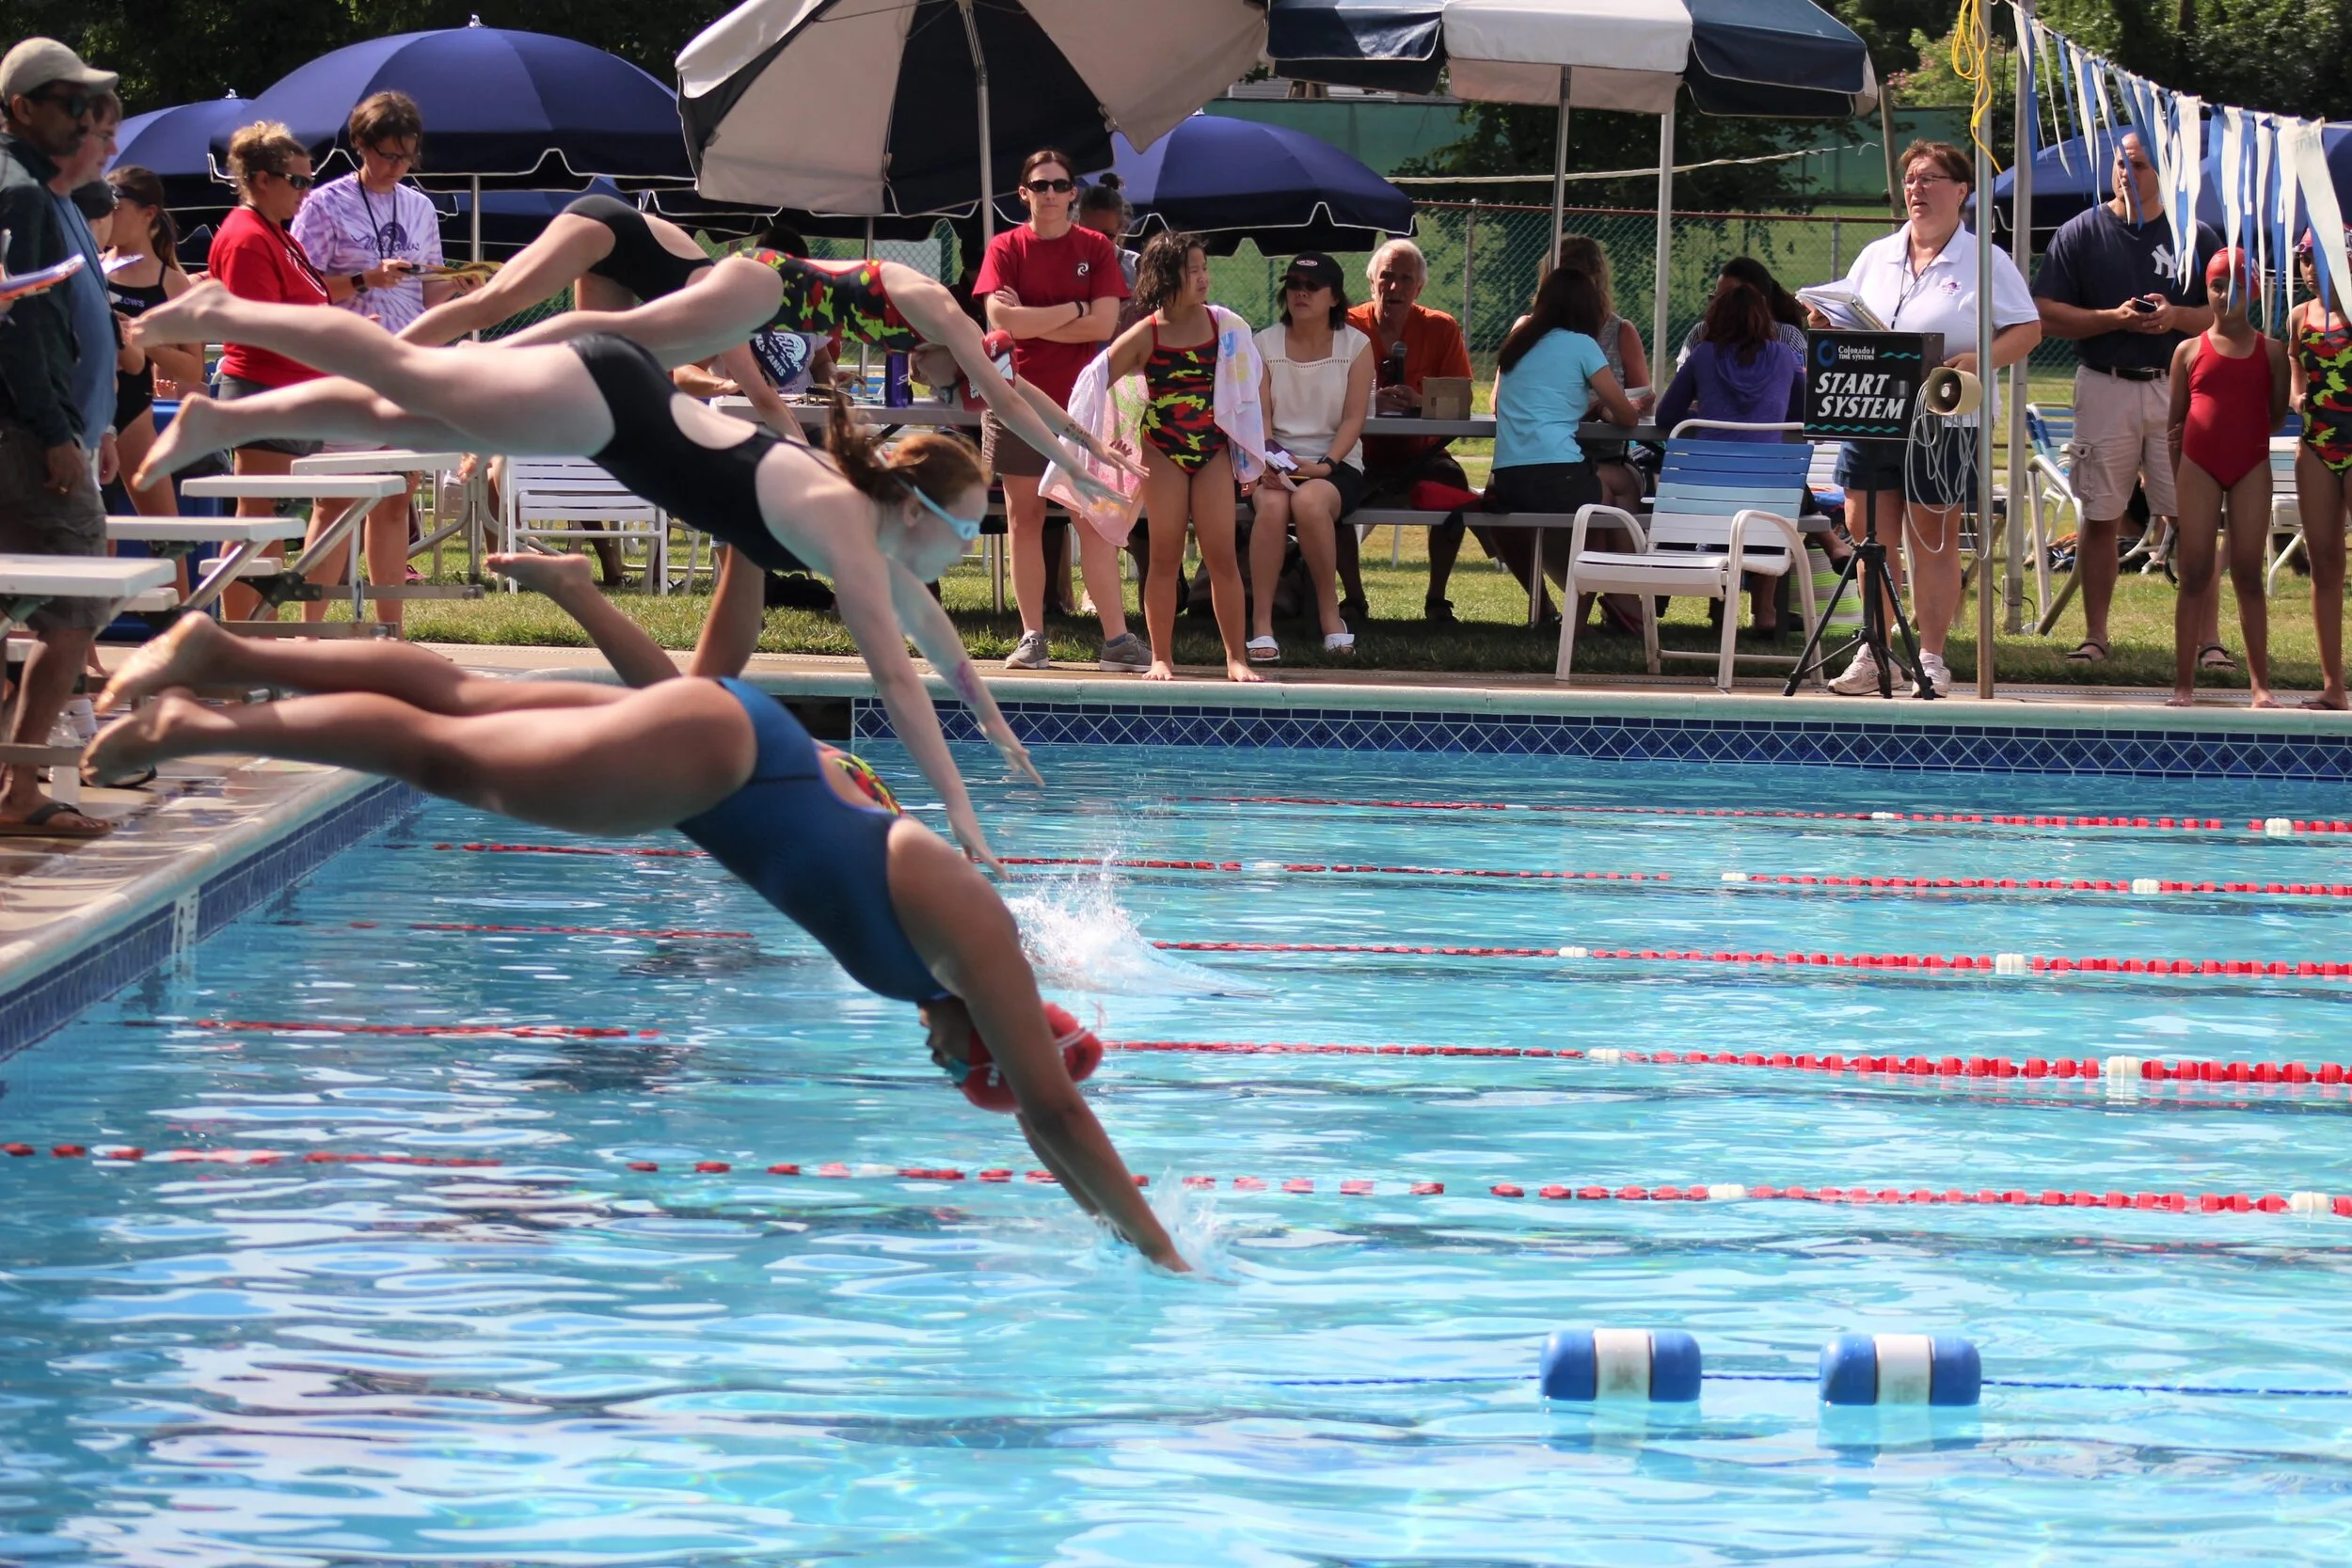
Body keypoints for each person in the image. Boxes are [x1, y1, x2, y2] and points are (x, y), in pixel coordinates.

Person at [87, 593, 1184, 1273]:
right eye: (960, 1076)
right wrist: (1161, 1248)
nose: (939, 1067)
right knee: (442, 756)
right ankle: (201, 716)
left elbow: (1037, 1098)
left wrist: (1109, 1233)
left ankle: (218, 648)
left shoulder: (935, 962)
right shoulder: (964, 937)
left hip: (737, 738)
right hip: (711, 769)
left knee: (466, 699)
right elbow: (1052, 1109)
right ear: (985, 1043)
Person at [127, 278, 1046, 871]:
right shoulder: (849, 527)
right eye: (970, 533)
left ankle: (219, 419)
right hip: (601, 407)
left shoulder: (871, 530)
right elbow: (894, 675)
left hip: (612, 401)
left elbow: (933, 640)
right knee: (402, 368)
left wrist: (998, 730)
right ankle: (222, 313)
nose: (970, 547)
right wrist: (960, 812)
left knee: (392, 410)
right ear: (920, 513)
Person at [1819, 139, 2041, 697]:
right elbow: (1850, 322)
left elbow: (2028, 329)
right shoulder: (1876, 255)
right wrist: (1827, 321)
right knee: (1870, 537)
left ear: (1962, 191)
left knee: (1933, 538)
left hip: (1945, 417)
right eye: (1912, 179)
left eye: (1931, 178)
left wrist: (1980, 359)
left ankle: (1933, 657)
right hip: (1873, 410)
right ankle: (1875, 652)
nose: (1917, 189)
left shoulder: (1986, 259)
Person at [288, 91, 483, 631]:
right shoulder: (323, 204)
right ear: (360, 145)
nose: (397, 166)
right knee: (335, 503)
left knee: (396, 502)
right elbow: (299, 291)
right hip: (346, 368)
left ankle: (390, 631)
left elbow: (429, 297)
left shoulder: (419, 207)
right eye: (388, 155)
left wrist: (459, 285)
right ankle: (311, 631)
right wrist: (362, 279)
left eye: (406, 157)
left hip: (406, 367)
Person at [2033, 129, 2218, 664]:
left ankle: (2208, 641)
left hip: (2177, 390)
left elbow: (2221, 317)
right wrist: (2112, 319)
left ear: (2163, 174)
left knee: (2190, 517)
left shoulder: (2194, 236)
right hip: (2104, 383)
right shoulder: (2081, 233)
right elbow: (2046, 313)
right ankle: (2095, 636)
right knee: (2100, 515)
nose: (2124, 173)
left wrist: (2175, 318)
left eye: (2136, 165)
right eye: (2118, 163)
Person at [0, 38, 119, 837]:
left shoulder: (42, 194)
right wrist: (55, 433)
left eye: (91, 107)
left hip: (38, 426)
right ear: (21, 109)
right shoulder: (23, 198)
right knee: (76, 604)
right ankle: (22, 789)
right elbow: (21, 330)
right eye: (68, 104)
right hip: (26, 433)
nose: (83, 120)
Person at [977, 150, 1138, 673]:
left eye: (1059, 185)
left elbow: (1103, 325)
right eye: (1039, 185)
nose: (1049, 193)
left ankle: (1116, 641)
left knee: (1090, 518)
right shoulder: (1004, 247)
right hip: (1015, 398)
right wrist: (1074, 309)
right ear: (1023, 193)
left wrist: (1033, 319)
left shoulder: (1096, 246)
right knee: (1025, 519)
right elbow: (999, 321)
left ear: (1073, 193)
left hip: (1085, 405)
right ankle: (1031, 637)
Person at [1093, 231, 1275, 683]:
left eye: (1204, 269)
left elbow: (1251, 387)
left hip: (1211, 451)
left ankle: (1236, 657)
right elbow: (1095, 385)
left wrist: (1250, 455)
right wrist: (1109, 439)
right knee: (1164, 555)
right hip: (1162, 450)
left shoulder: (1224, 327)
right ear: (1164, 276)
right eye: (1192, 271)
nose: (1203, 278)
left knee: (1221, 556)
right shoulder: (1145, 334)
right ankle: (1161, 658)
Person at [208, 119, 341, 624]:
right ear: (262, 179)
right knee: (255, 521)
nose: (306, 193)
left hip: (289, 391)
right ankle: (241, 642)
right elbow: (259, 325)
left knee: (271, 521)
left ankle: (263, 637)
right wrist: (329, 336)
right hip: (261, 390)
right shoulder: (246, 237)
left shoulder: (275, 234)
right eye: (299, 181)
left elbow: (304, 305)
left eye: (309, 181)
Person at [2165, 249, 2289, 708]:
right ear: (2206, 289)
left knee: (2249, 575)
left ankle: (2260, 686)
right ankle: (2183, 686)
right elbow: (2174, 423)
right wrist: (2180, 472)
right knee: (2195, 573)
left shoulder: (2272, 352)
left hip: (2250, 465)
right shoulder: (2188, 351)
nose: (2224, 295)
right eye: (2217, 285)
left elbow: (2274, 417)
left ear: (2253, 291)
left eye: (2235, 286)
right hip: (2198, 464)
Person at [1483, 265, 1640, 618]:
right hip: (1557, 477)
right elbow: (1628, 417)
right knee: (1618, 486)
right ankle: (1617, 597)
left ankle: (1596, 602)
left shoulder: (1518, 343)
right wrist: (1607, 407)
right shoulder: (1582, 345)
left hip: (1507, 480)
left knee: (1600, 498)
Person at [1655, 280, 1806, 636]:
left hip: (1703, 500)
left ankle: (1714, 609)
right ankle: (1765, 612)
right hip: (1768, 500)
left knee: (1689, 494)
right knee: (1768, 490)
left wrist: (1706, 410)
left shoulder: (1704, 355)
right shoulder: (1785, 357)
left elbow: (1665, 417)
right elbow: (1799, 414)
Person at [1248, 251, 1371, 661]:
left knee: (1310, 500)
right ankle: (1261, 625)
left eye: (1312, 287)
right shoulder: (1262, 343)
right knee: (1270, 504)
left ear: (1335, 298)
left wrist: (1326, 465)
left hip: (1337, 466)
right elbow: (1259, 417)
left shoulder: (1357, 345)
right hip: (1274, 463)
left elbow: (1354, 418)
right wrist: (1269, 461)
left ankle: (1329, 616)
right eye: (1293, 286)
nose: (1300, 294)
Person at [1350, 239, 1473, 625]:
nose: (1394, 287)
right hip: (1357, 454)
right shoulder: (1347, 326)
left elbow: (1461, 402)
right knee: (1330, 498)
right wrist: (1372, 402)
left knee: (1455, 488)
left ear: (1419, 288)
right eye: (1386, 276)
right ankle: (1353, 601)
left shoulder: (1441, 327)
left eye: (1405, 279)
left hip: (1423, 455)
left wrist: (1418, 400)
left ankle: (1437, 599)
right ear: (1371, 282)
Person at [103, 165, 200, 520]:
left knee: (164, 533)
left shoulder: (173, 283)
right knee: (96, 540)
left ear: (148, 213)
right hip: (90, 409)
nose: (107, 216)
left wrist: (145, 341)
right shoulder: (92, 268)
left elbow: (192, 367)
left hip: (132, 411)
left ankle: (179, 581)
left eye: (116, 207)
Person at [2288, 230, 2352, 710]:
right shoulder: (2298, 317)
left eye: (2317, 257)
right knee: (2324, 565)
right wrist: (2295, 393)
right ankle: (2333, 686)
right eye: (2303, 259)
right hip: (2315, 446)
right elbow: (2295, 360)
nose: (2309, 267)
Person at [1551, 234, 1649, 514]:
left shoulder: (1620, 331)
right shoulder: (1529, 332)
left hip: (1605, 454)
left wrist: (1622, 405)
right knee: (1600, 492)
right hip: (1551, 457)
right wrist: (1598, 406)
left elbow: (1639, 402)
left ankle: (1609, 559)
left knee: (1607, 490)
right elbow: (1500, 403)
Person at [1677, 257, 1808, 365]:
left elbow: (1804, 390)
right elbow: (1681, 388)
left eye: (1730, 300)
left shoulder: (1787, 339)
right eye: (1716, 299)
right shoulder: (1700, 334)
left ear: (1760, 303)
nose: (1718, 307)